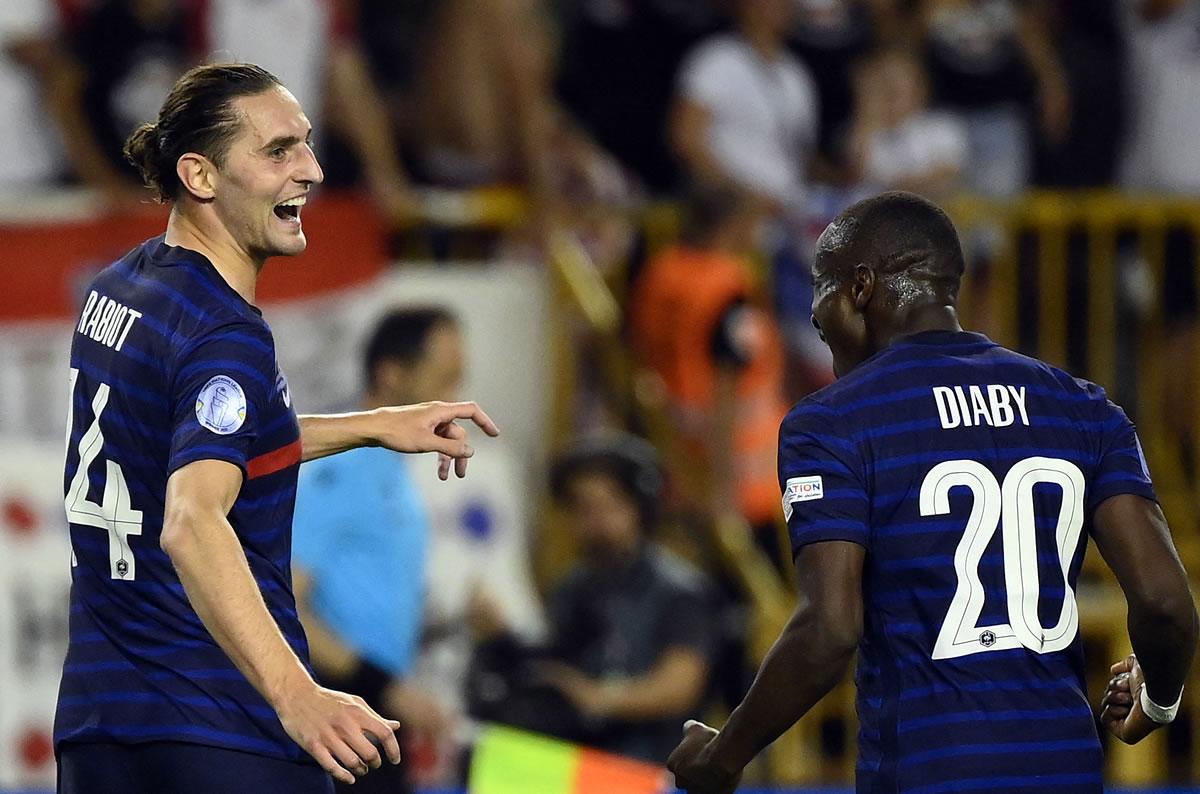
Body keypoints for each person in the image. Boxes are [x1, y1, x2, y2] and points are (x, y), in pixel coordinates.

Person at [54, 63, 498, 794]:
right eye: (279, 150)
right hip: (219, 729)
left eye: (308, 145)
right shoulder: (225, 335)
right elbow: (192, 520)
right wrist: (299, 696)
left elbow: (201, 441)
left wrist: (377, 424)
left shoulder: (120, 289)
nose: (312, 170)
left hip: (101, 728)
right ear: (199, 174)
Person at [667, 191, 1198, 793]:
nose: (818, 320)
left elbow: (829, 631)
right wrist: (1158, 698)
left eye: (822, 296)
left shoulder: (834, 422)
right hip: (1064, 772)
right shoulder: (1081, 407)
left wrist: (723, 754)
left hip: (925, 772)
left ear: (860, 287)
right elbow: (1166, 603)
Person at [290, 308, 463, 793]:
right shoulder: (339, 469)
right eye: (445, 380)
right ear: (390, 374)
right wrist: (386, 688)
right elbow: (284, 605)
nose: (454, 401)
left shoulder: (392, 471)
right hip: (338, 722)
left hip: (375, 717)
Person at [469, 434, 717, 764]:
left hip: (655, 767)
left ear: (640, 509)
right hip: (581, 766)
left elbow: (679, 686)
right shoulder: (572, 588)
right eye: (583, 509)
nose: (595, 522)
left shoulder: (680, 590)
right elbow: (557, 659)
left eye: (608, 507)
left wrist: (595, 697)